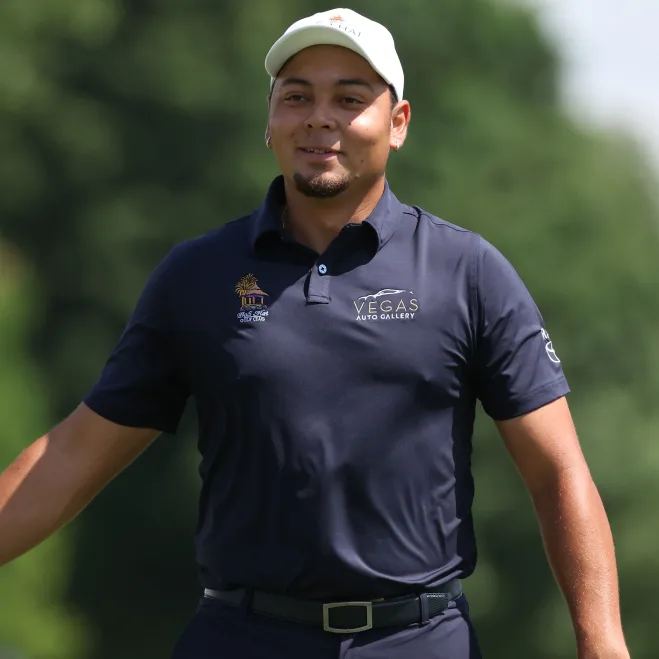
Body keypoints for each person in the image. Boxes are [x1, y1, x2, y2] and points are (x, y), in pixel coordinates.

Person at [0, 8, 630, 659]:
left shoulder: (467, 272)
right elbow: (70, 457)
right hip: (239, 637)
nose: (319, 118)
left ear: (398, 123)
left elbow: (558, 473)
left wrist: (602, 641)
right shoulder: (197, 275)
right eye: (297, 96)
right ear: (269, 119)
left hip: (419, 638)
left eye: (349, 99)